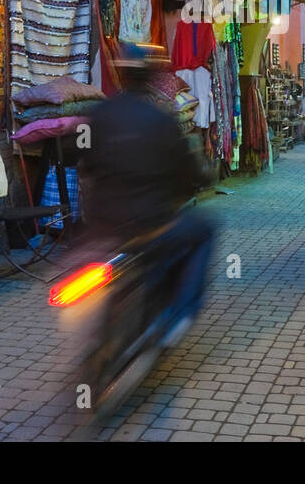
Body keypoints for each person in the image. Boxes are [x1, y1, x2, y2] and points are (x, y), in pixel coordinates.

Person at [79, 42, 214, 340]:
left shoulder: (101, 114)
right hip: (151, 224)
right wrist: (202, 177)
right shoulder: (161, 120)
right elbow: (187, 169)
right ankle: (179, 315)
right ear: (151, 76)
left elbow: (86, 165)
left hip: (104, 225)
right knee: (205, 229)